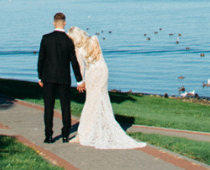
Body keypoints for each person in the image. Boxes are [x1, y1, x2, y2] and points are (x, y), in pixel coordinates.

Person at [66, 26, 146, 150]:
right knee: (100, 99)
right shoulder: (94, 40)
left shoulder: (77, 49)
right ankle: (98, 127)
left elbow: (80, 67)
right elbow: (99, 57)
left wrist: (80, 82)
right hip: (103, 72)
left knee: (91, 102)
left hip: (92, 74)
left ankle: (84, 133)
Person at [37, 12, 83, 143]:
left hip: (48, 77)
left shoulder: (46, 38)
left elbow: (41, 59)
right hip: (64, 78)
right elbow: (74, 62)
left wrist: (40, 77)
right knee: (65, 106)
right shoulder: (68, 40)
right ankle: (65, 135)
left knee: (49, 107)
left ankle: (49, 136)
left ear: (53, 23)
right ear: (64, 23)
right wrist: (79, 80)